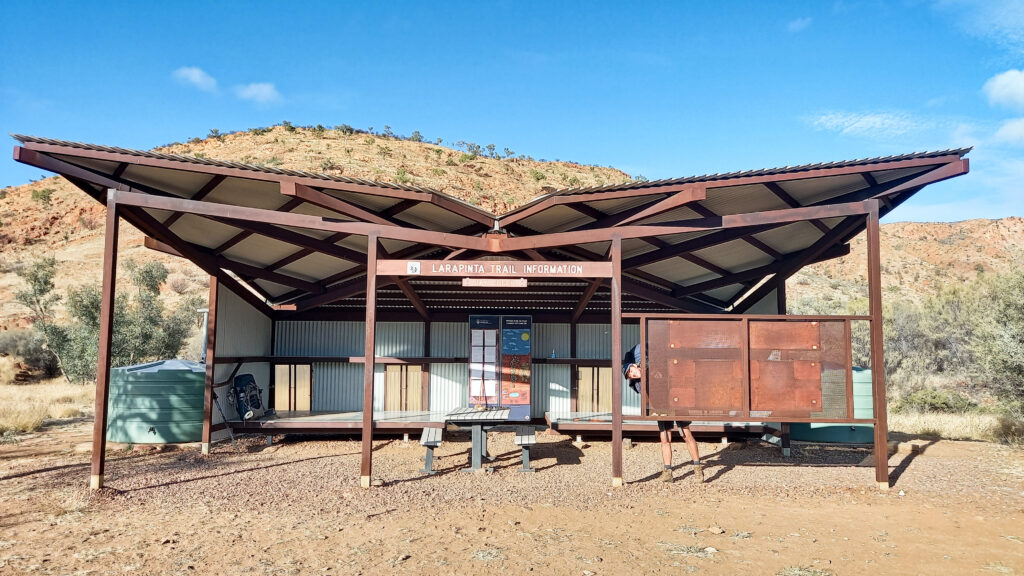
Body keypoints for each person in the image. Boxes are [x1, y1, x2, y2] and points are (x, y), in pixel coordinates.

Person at [622, 343, 704, 484]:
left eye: (631, 371)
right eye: (630, 376)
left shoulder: (655, 361)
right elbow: (647, 395)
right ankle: (668, 472)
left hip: (677, 400)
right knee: (665, 437)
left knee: (686, 433)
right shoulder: (639, 384)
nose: (633, 375)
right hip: (661, 406)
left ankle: (698, 468)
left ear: (635, 365)